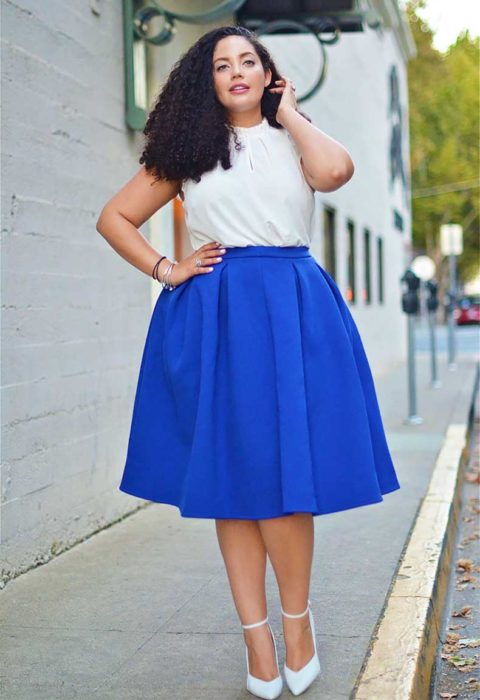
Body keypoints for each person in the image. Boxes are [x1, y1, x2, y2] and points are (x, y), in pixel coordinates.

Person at [96, 24, 401, 700]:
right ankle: (257, 641)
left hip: (292, 309)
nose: (235, 72)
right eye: (221, 65)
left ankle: (298, 627)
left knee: (287, 483)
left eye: (249, 61)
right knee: (231, 484)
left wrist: (288, 113)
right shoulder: (187, 152)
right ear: (204, 81)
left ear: (268, 73)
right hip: (215, 315)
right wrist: (166, 268)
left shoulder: (296, 137)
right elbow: (115, 217)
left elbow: (335, 172)